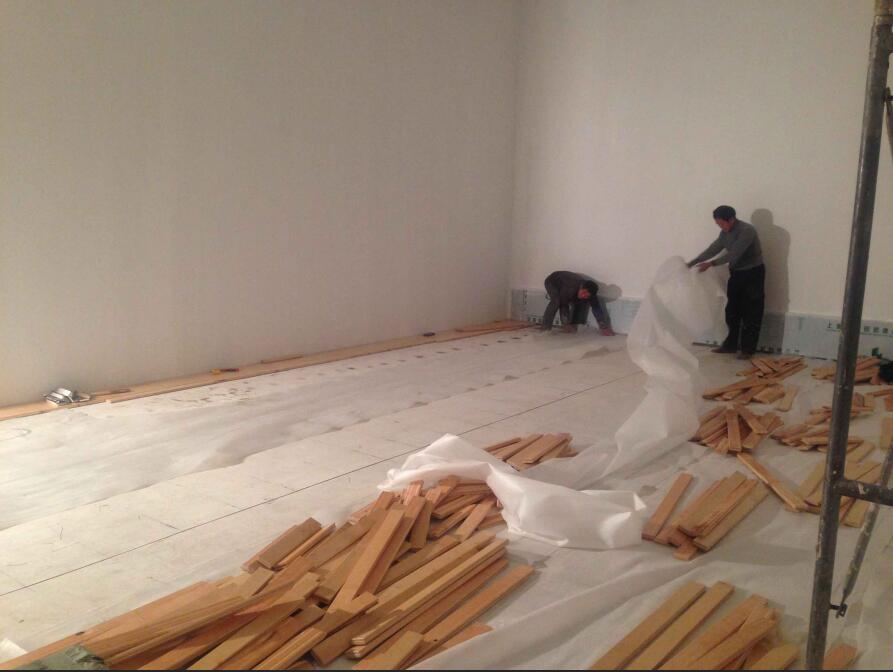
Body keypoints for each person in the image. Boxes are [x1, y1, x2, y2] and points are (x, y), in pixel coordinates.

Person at [688, 205, 765, 359]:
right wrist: (692, 263)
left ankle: (747, 350)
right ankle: (730, 345)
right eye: (718, 224)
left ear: (731, 219)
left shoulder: (747, 231)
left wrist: (712, 264)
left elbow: (735, 253)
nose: (721, 227)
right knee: (731, 311)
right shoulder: (724, 233)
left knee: (751, 311)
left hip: (753, 274)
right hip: (736, 273)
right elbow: (713, 249)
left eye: (722, 223)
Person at [540, 271, 615, 335]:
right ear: (581, 287)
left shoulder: (592, 293)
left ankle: (570, 325)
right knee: (556, 301)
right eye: (583, 292)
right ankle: (545, 328)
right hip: (552, 282)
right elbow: (563, 305)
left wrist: (604, 327)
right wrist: (566, 324)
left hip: (566, 284)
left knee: (581, 301)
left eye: (586, 295)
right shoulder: (571, 288)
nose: (584, 295)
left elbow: (597, 309)